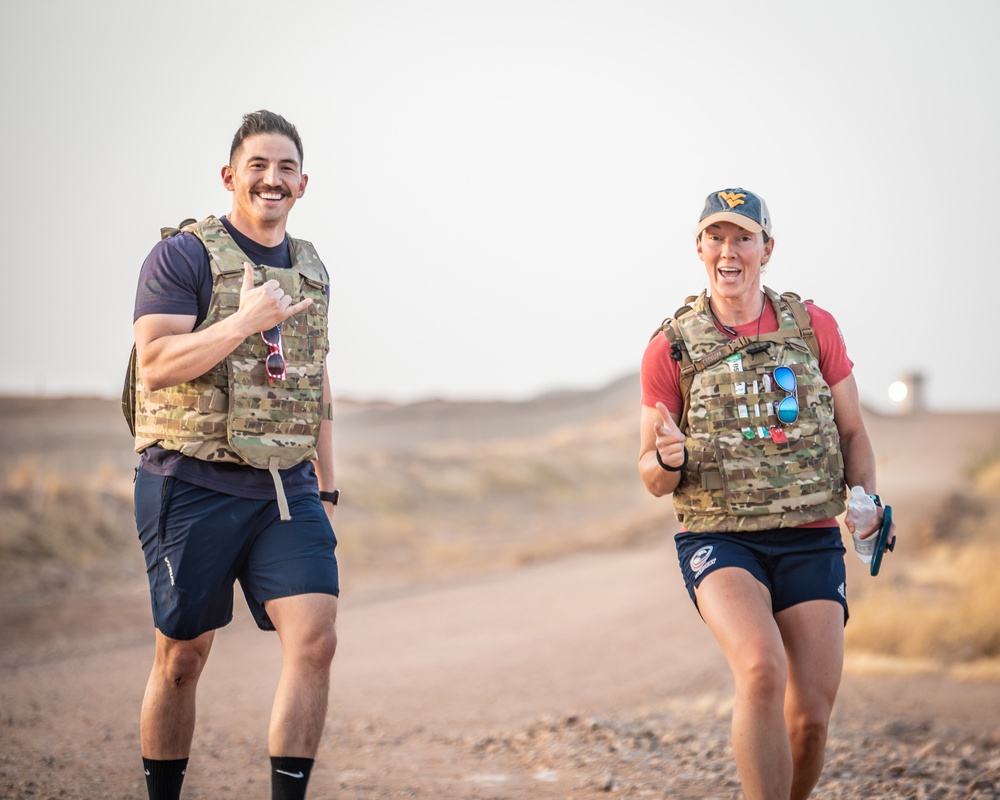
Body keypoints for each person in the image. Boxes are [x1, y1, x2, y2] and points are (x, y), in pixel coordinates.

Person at [638, 188, 895, 800]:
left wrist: (865, 503)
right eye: (717, 237)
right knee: (760, 668)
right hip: (720, 538)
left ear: (766, 249)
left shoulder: (812, 327)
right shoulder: (671, 347)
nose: (730, 251)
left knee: (809, 721)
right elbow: (650, 473)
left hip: (809, 537)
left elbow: (854, 430)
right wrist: (667, 459)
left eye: (743, 237)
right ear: (699, 248)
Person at [128, 110, 340, 800]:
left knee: (314, 638)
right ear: (230, 176)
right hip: (189, 482)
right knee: (183, 658)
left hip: (285, 487)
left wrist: (327, 486)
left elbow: (316, 377)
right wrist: (245, 321)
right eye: (258, 165)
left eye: (285, 168)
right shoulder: (182, 258)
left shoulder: (311, 269)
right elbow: (156, 362)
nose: (271, 179)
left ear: (303, 184)